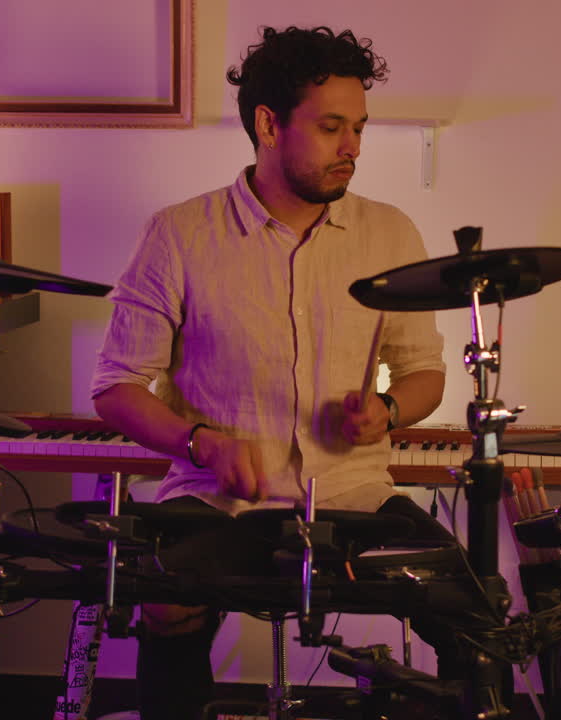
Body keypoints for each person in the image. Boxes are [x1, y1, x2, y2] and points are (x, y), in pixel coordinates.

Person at [91, 25, 481, 720]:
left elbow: (424, 375)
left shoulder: (390, 234)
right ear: (269, 124)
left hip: (354, 497)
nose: (353, 148)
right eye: (332, 127)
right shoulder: (180, 234)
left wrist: (389, 413)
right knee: (164, 593)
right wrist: (201, 442)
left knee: (470, 605)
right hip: (218, 497)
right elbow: (116, 388)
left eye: (358, 127)